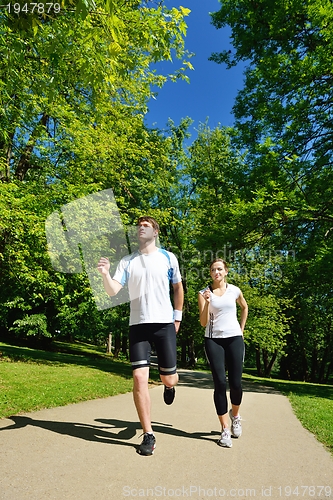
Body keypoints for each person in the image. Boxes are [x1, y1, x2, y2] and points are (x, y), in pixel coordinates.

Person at [97, 216, 184, 456]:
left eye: (146, 226)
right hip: (138, 326)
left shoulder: (168, 258)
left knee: (170, 379)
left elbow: (178, 288)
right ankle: (148, 433)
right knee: (138, 377)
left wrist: (177, 317)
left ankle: (169, 386)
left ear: (155, 232)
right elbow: (113, 290)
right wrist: (105, 274)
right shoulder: (127, 262)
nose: (141, 228)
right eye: (139, 226)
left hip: (164, 324)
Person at [198, 258, 248, 448]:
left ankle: (235, 416)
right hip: (213, 340)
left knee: (235, 383)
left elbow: (245, 307)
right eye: (213, 269)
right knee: (220, 383)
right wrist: (207, 303)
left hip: (235, 338)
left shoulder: (235, 290)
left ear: (226, 271)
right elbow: (203, 322)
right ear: (210, 273)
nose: (216, 272)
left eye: (219, 269)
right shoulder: (204, 293)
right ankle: (225, 429)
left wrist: (241, 330)